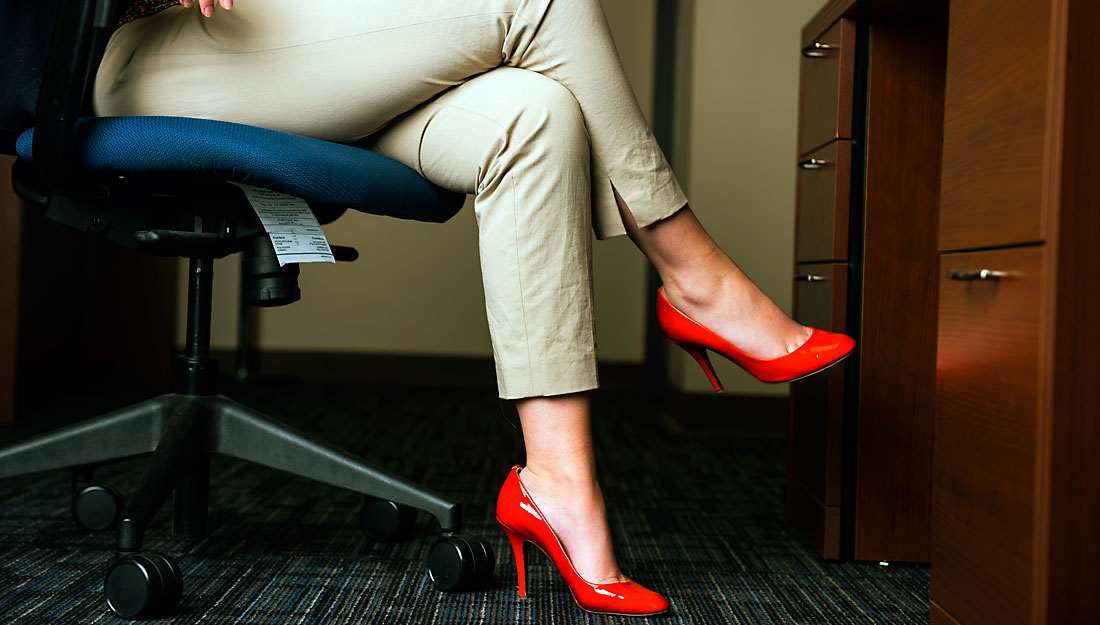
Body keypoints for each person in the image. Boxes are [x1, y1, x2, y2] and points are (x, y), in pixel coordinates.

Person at [85, 0, 856, 616]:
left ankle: (555, 480)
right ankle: (697, 281)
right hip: (143, 48)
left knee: (537, 116)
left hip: (302, 41)